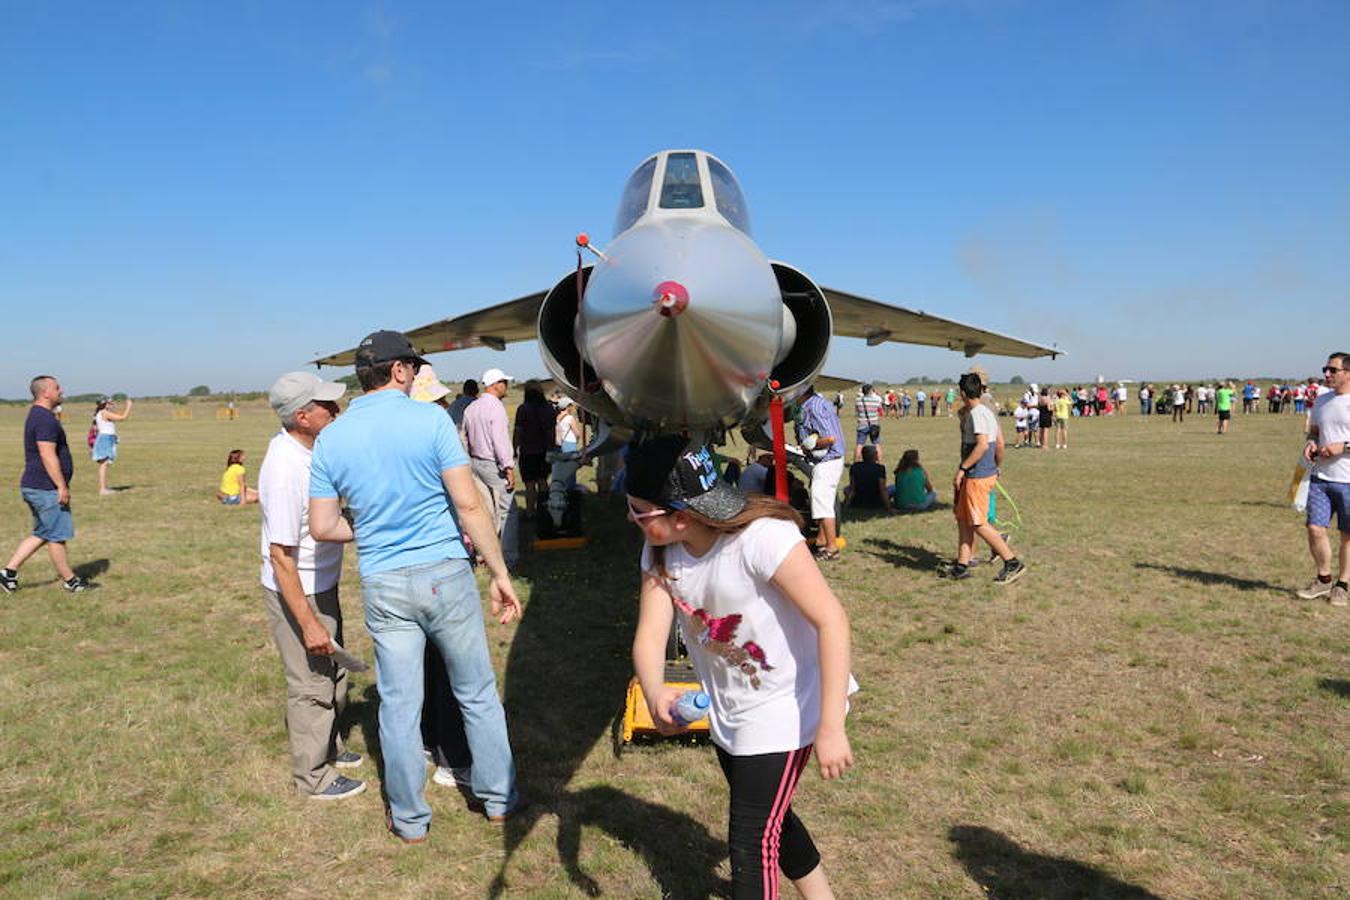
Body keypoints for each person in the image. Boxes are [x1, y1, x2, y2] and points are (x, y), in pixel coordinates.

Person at [307, 329, 523, 841]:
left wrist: (373, 527)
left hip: (383, 579)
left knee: (400, 704)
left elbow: (322, 526)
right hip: (445, 573)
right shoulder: (430, 420)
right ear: (398, 371)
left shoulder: (332, 435)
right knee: (476, 692)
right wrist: (500, 572)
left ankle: (409, 818)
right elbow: (468, 504)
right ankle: (498, 799)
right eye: (415, 367)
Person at [626, 437, 854, 899]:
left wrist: (830, 726)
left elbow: (832, 620)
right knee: (773, 821)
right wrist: (654, 694)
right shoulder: (660, 553)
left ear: (682, 515)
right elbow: (650, 635)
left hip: (790, 706)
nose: (631, 519)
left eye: (639, 511)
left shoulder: (763, 539)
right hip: (731, 710)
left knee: (752, 842)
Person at [257, 371, 365, 800]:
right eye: (326, 406)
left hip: (320, 584)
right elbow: (281, 557)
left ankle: (329, 745)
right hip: (297, 589)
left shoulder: (309, 451)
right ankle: (313, 777)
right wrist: (309, 623)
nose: (336, 410)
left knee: (330, 672)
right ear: (303, 416)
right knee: (310, 683)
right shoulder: (285, 469)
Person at [1, 375, 89, 594]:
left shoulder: (41, 415)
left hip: (36, 485)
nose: (62, 390)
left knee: (43, 532)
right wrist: (61, 486)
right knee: (57, 535)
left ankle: (7, 573)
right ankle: (71, 580)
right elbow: (47, 454)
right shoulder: (44, 419)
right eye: (57, 387)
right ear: (45, 392)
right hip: (45, 488)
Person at [946, 372, 1025, 584]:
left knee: (978, 522)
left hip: (977, 475)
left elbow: (982, 445)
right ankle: (962, 565)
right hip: (980, 473)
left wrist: (962, 468)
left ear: (962, 393)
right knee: (964, 520)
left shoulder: (978, 414)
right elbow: (998, 443)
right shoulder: (982, 412)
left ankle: (1011, 562)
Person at [1295, 352, 1350, 607]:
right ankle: (1324, 578)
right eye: (1325, 369)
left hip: (1348, 480)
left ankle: (1342, 585)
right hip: (1320, 477)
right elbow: (1315, 432)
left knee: (1347, 535)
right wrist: (1311, 443)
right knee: (1315, 529)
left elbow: (1342, 443)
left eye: (1332, 370)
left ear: (1347, 373)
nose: (1326, 374)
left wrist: (1343, 447)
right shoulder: (1322, 400)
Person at [462, 368, 516, 535]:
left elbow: (464, 436)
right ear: (495, 385)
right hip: (493, 464)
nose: (506, 386)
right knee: (508, 509)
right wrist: (508, 467)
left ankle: (482, 551)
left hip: (475, 463)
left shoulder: (471, 407)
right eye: (504, 382)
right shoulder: (496, 408)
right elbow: (500, 441)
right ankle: (508, 555)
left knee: (484, 509)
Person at [798, 384, 845, 561]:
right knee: (823, 501)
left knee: (822, 503)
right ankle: (822, 540)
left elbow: (830, 438)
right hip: (831, 460)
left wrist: (808, 445)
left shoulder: (813, 407)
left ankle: (832, 548)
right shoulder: (819, 402)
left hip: (827, 461)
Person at [513, 382, 555, 518]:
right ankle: (545, 511)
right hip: (544, 451)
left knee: (529, 485)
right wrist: (551, 449)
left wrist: (514, 448)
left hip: (527, 452)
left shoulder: (523, 409)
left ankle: (530, 512)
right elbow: (551, 431)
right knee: (543, 482)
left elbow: (518, 432)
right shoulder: (548, 408)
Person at [91, 397, 132, 495]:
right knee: (104, 464)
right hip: (105, 439)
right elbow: (123, 417)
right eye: (109, 403)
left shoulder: (101, 413)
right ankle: (103, 489)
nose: (111, 404)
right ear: (105, 404)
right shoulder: (104, 413)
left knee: (104, 464)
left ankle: (104, 487)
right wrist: (129, 406)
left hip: (106, 439)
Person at [844, 445, 889, 510]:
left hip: (858, 501)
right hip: (876, 502)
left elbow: (852, 488)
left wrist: (846, 505)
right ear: (875, 455)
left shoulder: (855, 467)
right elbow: (882, 489)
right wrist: (889, 507)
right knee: (890, 489)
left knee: (846, 489)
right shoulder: (880, 468)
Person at [853, 383, 883, 462]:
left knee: (859, 444)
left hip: (862, 424)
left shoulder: (858, 400)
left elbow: (857, 411)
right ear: (870, 390)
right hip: (874, 425)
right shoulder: (877, 399)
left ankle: (856, 462)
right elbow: (879, 409)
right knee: (877, 444)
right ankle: (879, 462)